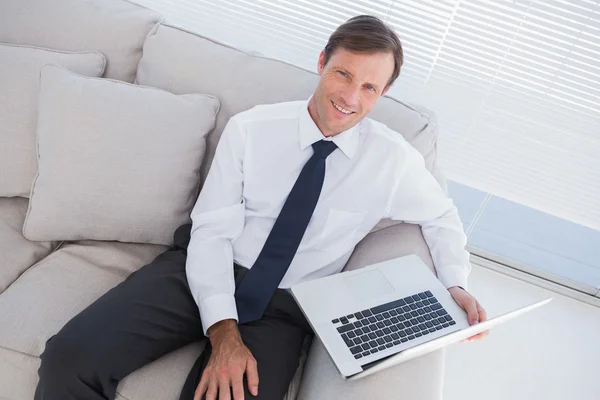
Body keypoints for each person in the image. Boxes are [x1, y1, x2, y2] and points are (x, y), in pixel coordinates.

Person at [34, 14, 489, 400]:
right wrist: (224, 332)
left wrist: (455, 284)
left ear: (383, 93)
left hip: (286, 307)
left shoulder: (392, 161)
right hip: (203, 269)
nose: (351, 97)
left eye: (370, 87)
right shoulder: (252, 130)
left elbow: (442, 217)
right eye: (343, 74)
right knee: (69, 358)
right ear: (321, 63)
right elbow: (211, 234)